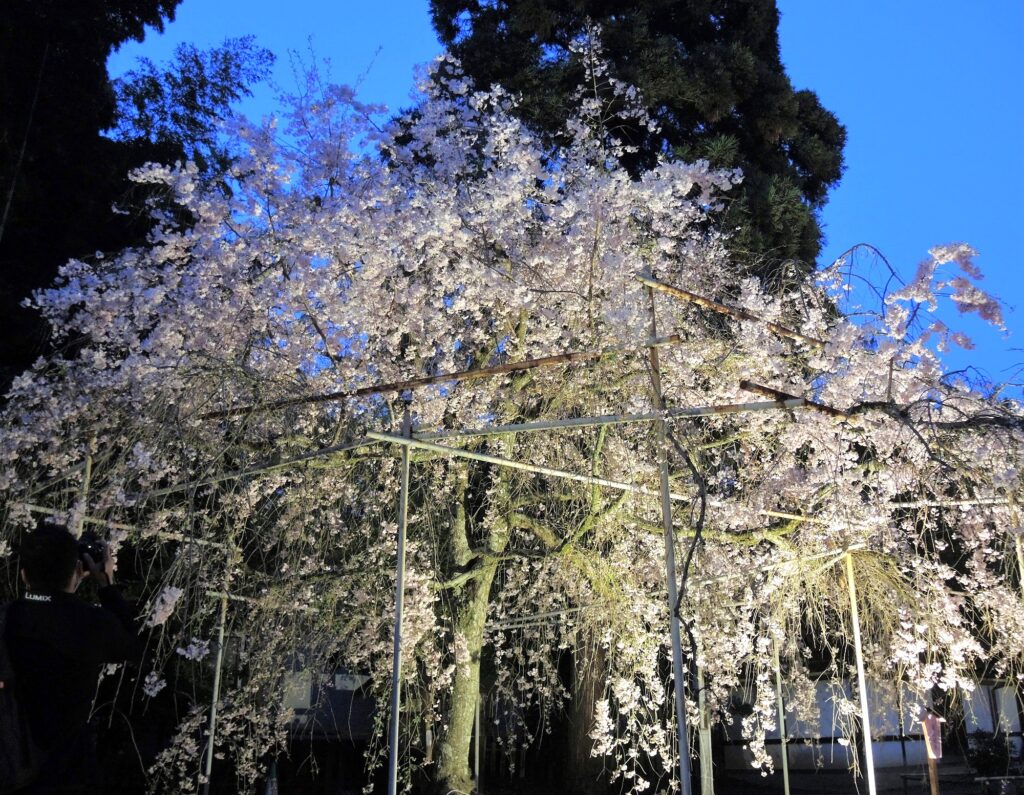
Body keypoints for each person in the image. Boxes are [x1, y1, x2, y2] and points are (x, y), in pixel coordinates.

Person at [4, 523, 140, 794]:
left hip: (11, 767)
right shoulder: (90, 624)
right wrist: (107, 586)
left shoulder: (7, 618)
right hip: (67, 772)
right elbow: (135, 647)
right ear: (78, 571)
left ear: (23, 576)